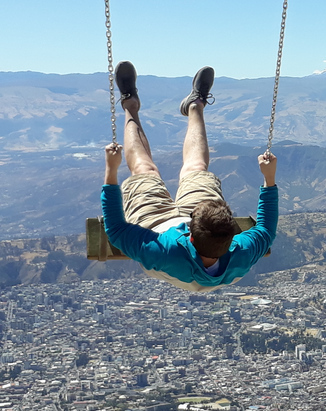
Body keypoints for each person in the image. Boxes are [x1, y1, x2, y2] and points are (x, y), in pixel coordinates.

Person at [101, 61, 278, 292]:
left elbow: (116, 230)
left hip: (157, 227)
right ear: (232, 237)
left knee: (145, 170)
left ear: (190, 236)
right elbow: (265, 230)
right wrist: (269, 179)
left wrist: (111, 170)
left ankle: (130, 105)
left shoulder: (163, 252)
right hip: (203, 238)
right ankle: (195, 106)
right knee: (196, 168)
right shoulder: (241, 251)